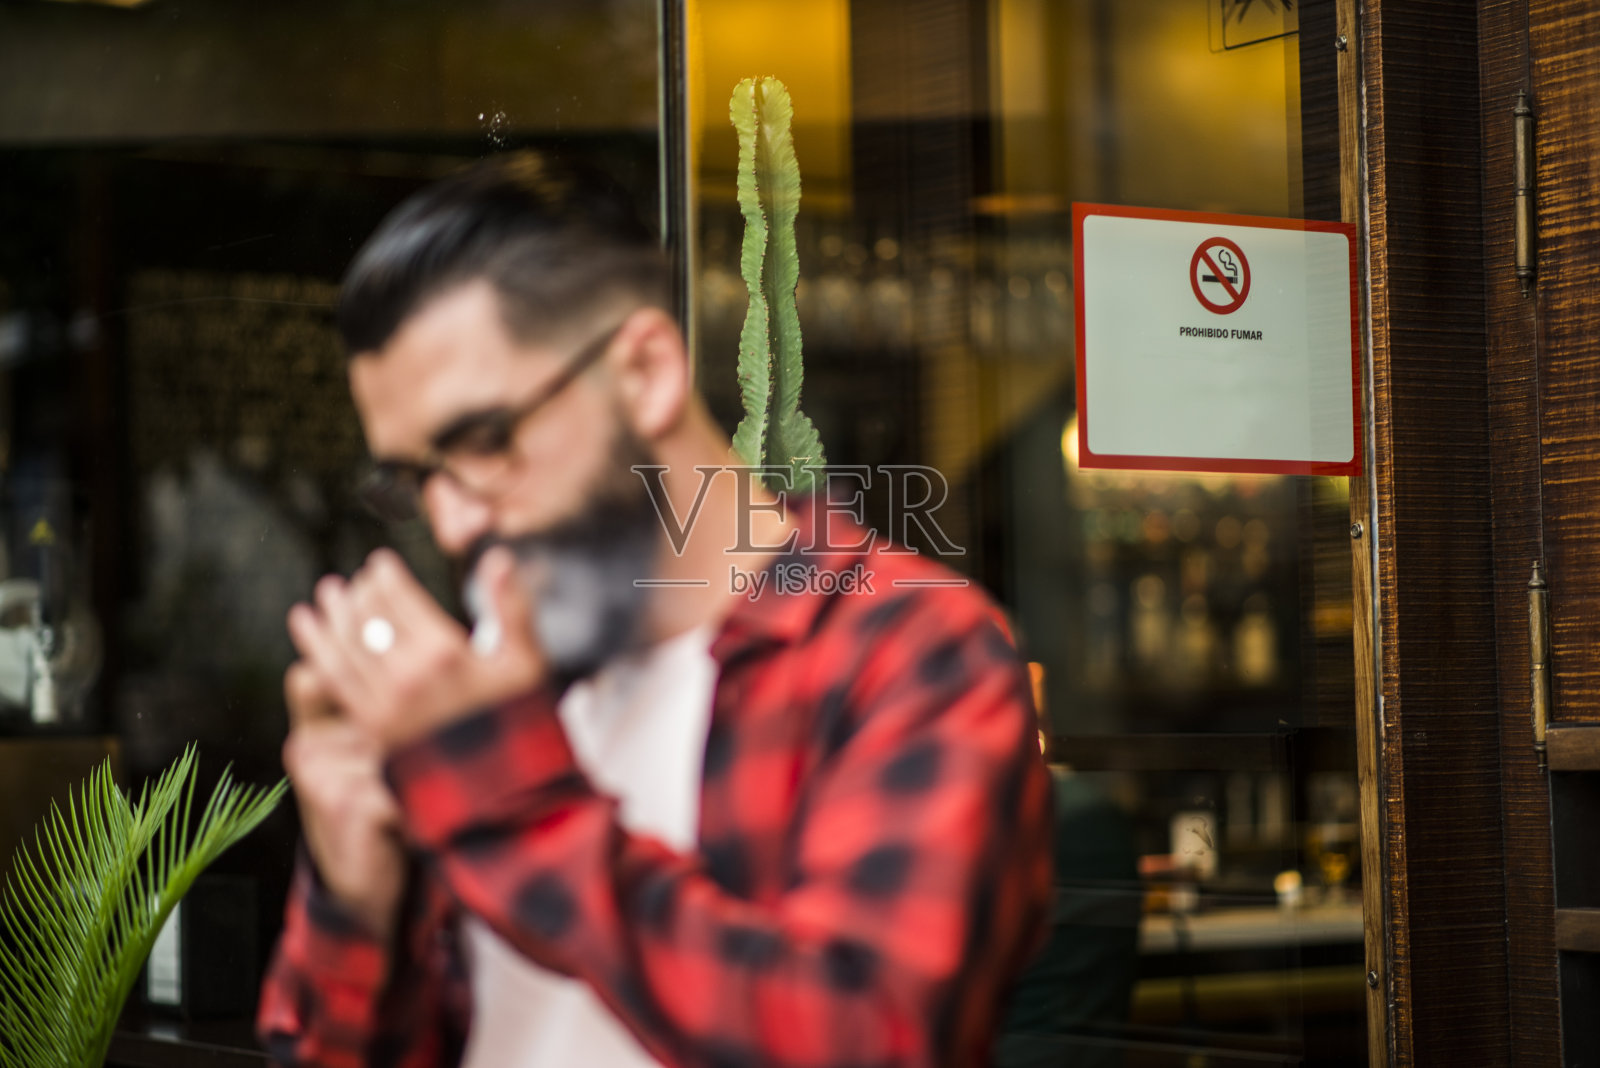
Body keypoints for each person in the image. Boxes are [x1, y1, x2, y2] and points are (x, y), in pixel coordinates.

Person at [256, 152, 1054, 1068]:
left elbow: (868, 1038)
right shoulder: (495, 672)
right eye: (414, 477)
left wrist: (499, 798)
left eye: (484, 441)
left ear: (645, 371)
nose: (452, 519)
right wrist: (359, 903)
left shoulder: (909, 649)